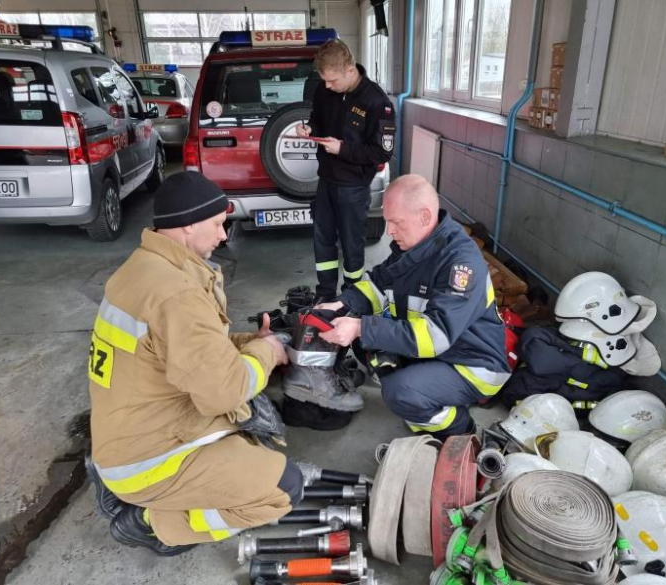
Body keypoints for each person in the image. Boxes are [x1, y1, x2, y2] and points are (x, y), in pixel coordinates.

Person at [85, 171, 302, 556]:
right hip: (148, 458)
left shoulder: (143, 268)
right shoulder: (176, 293)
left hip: (128, 434)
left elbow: (182, 348)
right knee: (283, 487)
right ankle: (152, 523)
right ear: (189, 226)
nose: (223, 235)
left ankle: (144, 497)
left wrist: (249, 342)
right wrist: (268, 353)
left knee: (255, 435)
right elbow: (224, 392)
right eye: (218, 225)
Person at [319, 175, 511, 437]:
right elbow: (377, 284)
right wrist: (341, 305)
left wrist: (362, 327)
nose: (389, 231)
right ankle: (426, 393)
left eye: (396, 222)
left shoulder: (460, 264)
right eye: (388, 222)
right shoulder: (416, 247)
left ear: (424, 217)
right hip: (440, 354)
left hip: (472, 363)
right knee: (365, 343)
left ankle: (458, 428)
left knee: (400, 392)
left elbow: (435, 336)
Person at [296, 39, 396, 303]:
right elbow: (318, 119)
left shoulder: (376, 101)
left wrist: (343, 150)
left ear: (350, 71)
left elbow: (381, 152)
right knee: (322, 240)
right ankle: (326, 295)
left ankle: (351, 297)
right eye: (324, 80)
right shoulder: (323, 91)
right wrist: (309, 129)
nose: (327, 86)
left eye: (332, 80)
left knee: (352, 247)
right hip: (326, 181)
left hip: (353, 186)